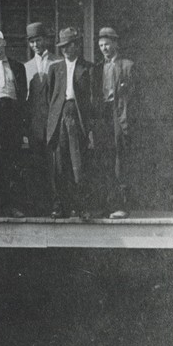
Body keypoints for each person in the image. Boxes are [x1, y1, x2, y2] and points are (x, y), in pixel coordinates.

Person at [46, 27, 93, 219]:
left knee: (78, 163)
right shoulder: (55, 68)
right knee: (59, 163)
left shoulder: (88, 67)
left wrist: (89, 127)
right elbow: (51, 96)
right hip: (59, 116)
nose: (66, 49)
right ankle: (60, 206)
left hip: (78, 117)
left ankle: (79, 206)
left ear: (77, 45)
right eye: (62, 46)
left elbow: (91, 97)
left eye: (69, 45)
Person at [0, 30, 28, 217]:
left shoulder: (17, 67)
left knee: (11, 162)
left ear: (5, 43)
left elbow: (23, 95)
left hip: (12, 116)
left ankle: (12, 205)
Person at [92, 27, 134, 219]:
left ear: (115, 43)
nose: (104, 48)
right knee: (104, 158)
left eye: (107, 44)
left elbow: (132, 98)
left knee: (119, 158)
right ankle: (106, 204)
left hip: (119, 114)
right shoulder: (99, 67)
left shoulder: (127, 66)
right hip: (103, 115)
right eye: (101, 45)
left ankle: (121, 205)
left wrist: (125, 119)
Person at [23, 22, 56, 214]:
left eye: (39, 40)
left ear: (46, 40)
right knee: (36, 164)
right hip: (34, 123)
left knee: (54, 164)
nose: (36, 44)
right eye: (32, 41)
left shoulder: (57, 63)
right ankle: (38, 205)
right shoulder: (26, 67)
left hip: (53, 122)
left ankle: (55, 204)